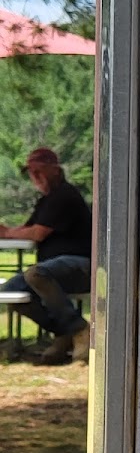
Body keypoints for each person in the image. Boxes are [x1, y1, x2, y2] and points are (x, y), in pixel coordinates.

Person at [0, 147, 92, 364]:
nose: (35, 176)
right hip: (52, 270)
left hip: (81, 267)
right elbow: (27, 229)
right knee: (11, 290)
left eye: (39, 171)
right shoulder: (46, 200)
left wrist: (7, 232)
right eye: (31, 172)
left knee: (36, 274)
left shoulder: (65, 195)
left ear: (55, 170)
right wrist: (8, 232)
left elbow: (37, 233)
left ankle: (80, 329)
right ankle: (63, 333)